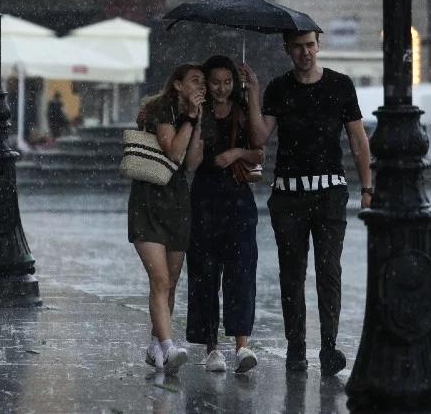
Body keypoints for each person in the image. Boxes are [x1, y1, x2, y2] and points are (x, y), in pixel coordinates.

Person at [242, 30, 373, 376]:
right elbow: (259, 138)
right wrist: (253, 93)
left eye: (310, 45)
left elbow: (358, 140)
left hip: (330, 192)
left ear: (319, 45)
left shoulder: (340, 86)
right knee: (292, 275)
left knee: (329, 271)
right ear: (287, 49)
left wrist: (368, 188)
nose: (305, 53)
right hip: (288, 196)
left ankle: (329, 346)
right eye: (298, 47)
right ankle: (296, 348)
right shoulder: (278, 89)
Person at [186, 55, 264, 374]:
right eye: (216, 82)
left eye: (227, 82)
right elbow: (190, 164)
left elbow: (260, 147)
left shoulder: (243, 112)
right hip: (204, 199)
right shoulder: (199, 113)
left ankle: (242, 346)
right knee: (204, 274)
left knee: (241, 271)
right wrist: (195, 120)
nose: (221, 88)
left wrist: (236, 152)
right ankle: (211, 347)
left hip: (238, 200)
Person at [129, 63, 205, 375]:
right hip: (148, 202)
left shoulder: (195, 115)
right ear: (177, 85)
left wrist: (197, 122)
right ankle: (169, 346)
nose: (201, 86)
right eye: (194, 80)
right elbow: (173, 152)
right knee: (159, 279)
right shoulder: (162, 110)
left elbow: (191, 163)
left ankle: (155, 344)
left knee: (170, 283)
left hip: (177, 202)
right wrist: (188, 118)